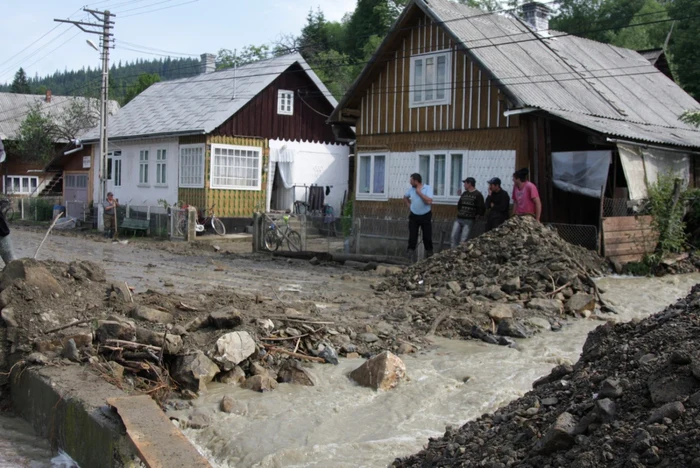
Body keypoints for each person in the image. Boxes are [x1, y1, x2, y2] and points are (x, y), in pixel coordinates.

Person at [403, 173, 433, 261]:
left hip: (425, 215)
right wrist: (410, 206)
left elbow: (429, 201)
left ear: (416, 181)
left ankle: (429, 252)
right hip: (414, 215)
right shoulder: (411, 189)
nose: (410, 182)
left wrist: (419, 193)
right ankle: (410, 251)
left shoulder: (427, 188)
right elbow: (405, 197)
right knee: (412, 235)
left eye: (411, 180)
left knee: (427, 236)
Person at [451, 177, 485, 248]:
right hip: (459, 218)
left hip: (469, 219)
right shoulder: (464, 194)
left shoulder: (478, 195)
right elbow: (459, 205)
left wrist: (477, 216)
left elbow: (481, 208)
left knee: (464, 239)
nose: (464, 185)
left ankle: (461, 254)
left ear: (469, 184)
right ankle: (453, 252)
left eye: (465, 183)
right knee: (453, 236)